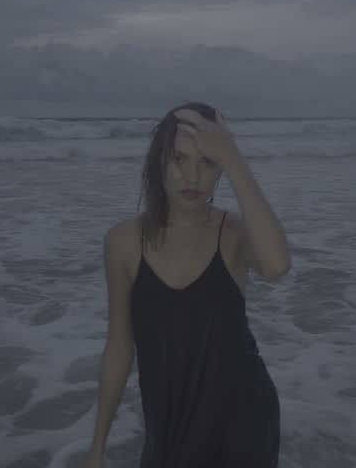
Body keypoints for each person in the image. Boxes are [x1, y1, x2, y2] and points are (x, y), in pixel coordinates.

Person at [82, 101, 291, 467]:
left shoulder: (235, 234)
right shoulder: (123, 242)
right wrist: (97, 447)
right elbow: (119, 346)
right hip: (169, 424)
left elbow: (275, 267)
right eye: (179, 160)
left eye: (208, 162)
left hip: (242, 423)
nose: (193, 177)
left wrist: (234, 158)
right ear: (157, 163)